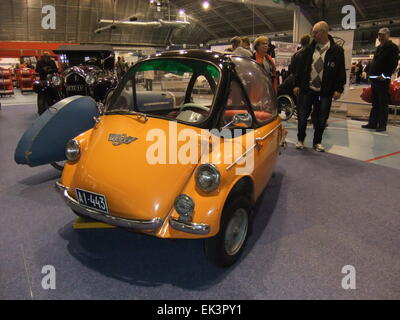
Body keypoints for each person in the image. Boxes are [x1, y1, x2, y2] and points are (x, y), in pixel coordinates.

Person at [293, 21, 346, 152]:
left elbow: (340, 71)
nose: (313, 35)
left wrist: (339, 89)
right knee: (302, 114)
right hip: (307, 89)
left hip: (325, 91)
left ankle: (317, 142)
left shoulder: (337, 51)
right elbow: (300, 69)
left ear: (323, 32)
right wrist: (296, 84)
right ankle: (300, 139)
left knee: (322, 117)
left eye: (315, 32)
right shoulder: (308, 49)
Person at [362, 27, 399, 132]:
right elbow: (374, 62)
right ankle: (372, 123)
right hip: (374, 79)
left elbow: (393, 63)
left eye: (382, 35)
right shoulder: (379, 47)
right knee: (375, 103)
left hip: (382, 80)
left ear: (387, 35)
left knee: (383, 103)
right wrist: (369, 73)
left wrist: (384, 75)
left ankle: (382, 125)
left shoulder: (392, 47)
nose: (380, 37)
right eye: (379, 35)